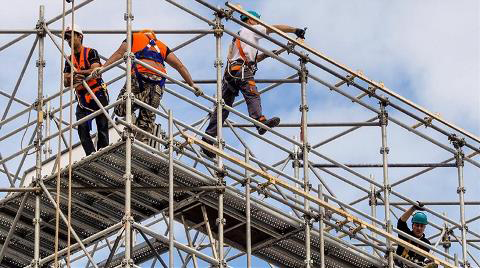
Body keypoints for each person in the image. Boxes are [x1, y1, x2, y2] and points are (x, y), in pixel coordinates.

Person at [201, 10, 306, 158]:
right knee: (252, 94)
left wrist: (266, 54)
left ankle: (207, 139)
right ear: (250, 20)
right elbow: (273, 28)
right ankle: (259, 121)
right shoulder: (252, 29)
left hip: (231, 73)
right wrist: (295, 30)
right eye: (257, 21)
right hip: (242, 71)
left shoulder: (239, 35)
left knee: (222, 108)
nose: (258, 24)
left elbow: (248, 59)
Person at [98, 29, 202, 143]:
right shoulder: (161, 46)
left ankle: (145, 96)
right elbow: (179, 66)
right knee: (146, 122)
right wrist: (192, 84)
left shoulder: (134, 37)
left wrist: (103, 68)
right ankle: (141, 143)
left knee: (120, 109)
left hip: (140, 76)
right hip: (159, 81)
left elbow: (119, 53)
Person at [63, 24, 109, 156]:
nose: (68, 41)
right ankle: (91, 155)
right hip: (82, 98)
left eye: (70, 37)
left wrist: (79, 73)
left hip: (97, 93)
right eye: (66, 39)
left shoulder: (90, 52)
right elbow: (66, 82)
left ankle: (103, 154)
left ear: (80, 36)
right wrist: (73, 77)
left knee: (102, 127)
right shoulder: (69, 60)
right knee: (82, 128)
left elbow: (96, 71)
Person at [395, 202, 435, 267]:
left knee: (433, 263)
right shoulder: (406, 235)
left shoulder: (426, 244)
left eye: (421, 226)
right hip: (398, 265)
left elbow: (419, 260)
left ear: (424, 227)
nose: (419, 228)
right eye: (417, 225)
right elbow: (401, 222)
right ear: (413, 225)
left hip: (413, 266)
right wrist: (413, 208)